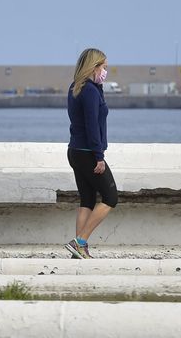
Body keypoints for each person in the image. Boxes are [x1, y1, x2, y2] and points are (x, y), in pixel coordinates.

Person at [65, 48, 117, 259]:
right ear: (93, 67)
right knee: (111, 197)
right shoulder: (90, 91)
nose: (105, 71)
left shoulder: (76, 87)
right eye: (103, 67)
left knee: (87, 199)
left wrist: (100, 87)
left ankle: (78, 250)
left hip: (75, 151)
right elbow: (92, 126)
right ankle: (80, 241)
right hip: (88, 153)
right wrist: (99, 156)